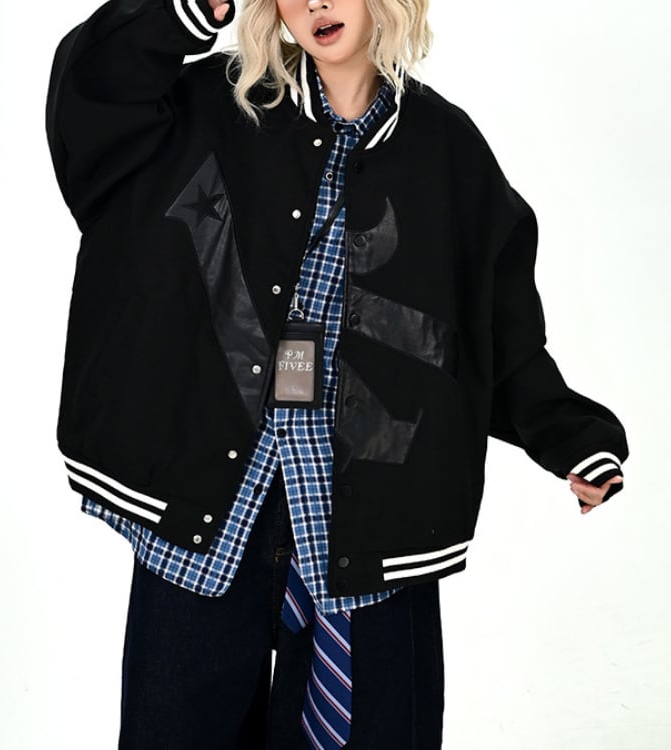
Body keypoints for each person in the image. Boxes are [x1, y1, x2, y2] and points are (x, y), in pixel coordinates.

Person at [45, 0, 629, 747]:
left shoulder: (448, 151)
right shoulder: (211, 107)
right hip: (206, 508)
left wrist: (571, 435)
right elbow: (90, 99)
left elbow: (495, 328)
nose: (316, 3)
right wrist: (180, 11)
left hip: (369, 520)